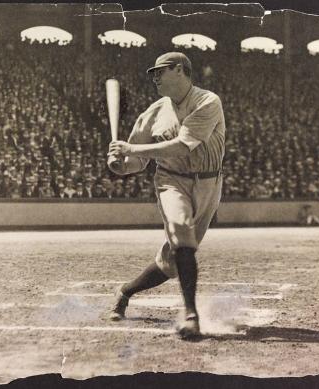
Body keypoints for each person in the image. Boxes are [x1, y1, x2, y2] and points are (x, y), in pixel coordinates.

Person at [107, 52, 225, 339]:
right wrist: (120, 165)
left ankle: (126, 291)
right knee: (183, 236)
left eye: (160, 71)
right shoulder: (153, 112)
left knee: (171, 262)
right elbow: (136, 160)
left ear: (180, 70)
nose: (155, 78)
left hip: (210, 183)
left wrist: (131, 151)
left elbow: (184, 145)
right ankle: (191, 315)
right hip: (172, 182)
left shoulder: (208, 101)